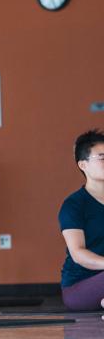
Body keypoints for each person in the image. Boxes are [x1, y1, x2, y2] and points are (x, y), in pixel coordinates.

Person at [59, 129, 104, 311]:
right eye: (102, 157)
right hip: (79, 286)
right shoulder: (73, 205)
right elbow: (78, 254)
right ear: (83, 165)